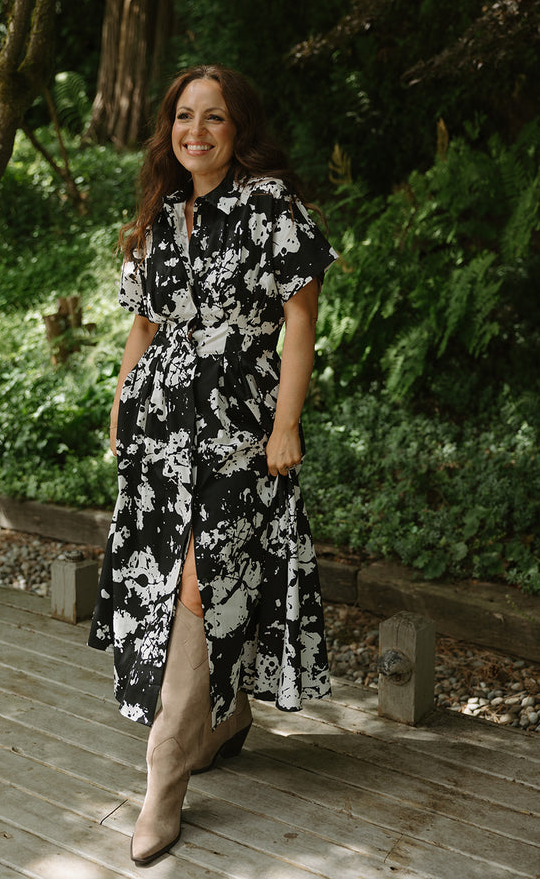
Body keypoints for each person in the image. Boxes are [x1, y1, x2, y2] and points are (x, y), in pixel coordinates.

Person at [87, 64, 337, 866]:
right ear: (169, 129)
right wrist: (121, 403)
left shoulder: (269, 208)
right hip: (160, 433)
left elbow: (299, 321)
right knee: (175, 579)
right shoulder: (159, 216)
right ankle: (224, 721)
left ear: (238, 128)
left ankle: (163, 779)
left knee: (205, 579)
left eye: (214, 117)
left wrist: (285, 423)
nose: (195, 131)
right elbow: (144, 328)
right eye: (184, 117)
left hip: (238, 427)